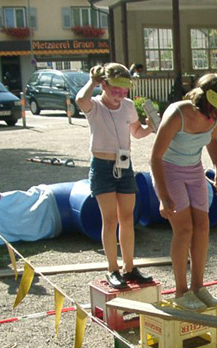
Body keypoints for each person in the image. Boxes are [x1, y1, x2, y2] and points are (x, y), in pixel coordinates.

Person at [150, 73, 217, 310]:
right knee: (184, 230)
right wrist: (163, 196)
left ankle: (198, 287)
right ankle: (181, 291)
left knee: (203, 227)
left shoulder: (215, 115)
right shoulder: (178, 114)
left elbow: (211, 140)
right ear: (206, 101)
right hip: (169, 171)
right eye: (216, 109)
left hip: (194, 170)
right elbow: (155, 158)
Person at [76, 63, 154, 289]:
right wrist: (92, 81)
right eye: (115, 90)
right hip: (102, 165)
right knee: (110, 219)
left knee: (127, 217)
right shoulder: (95, 105)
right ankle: (112, 268)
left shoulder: (128, 106)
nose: (120, 95)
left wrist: (150, 127)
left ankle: (129, 267)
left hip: (124, 165)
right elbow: (80, 99)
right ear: (104, 85)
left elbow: (136, 132)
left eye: (124, 90)